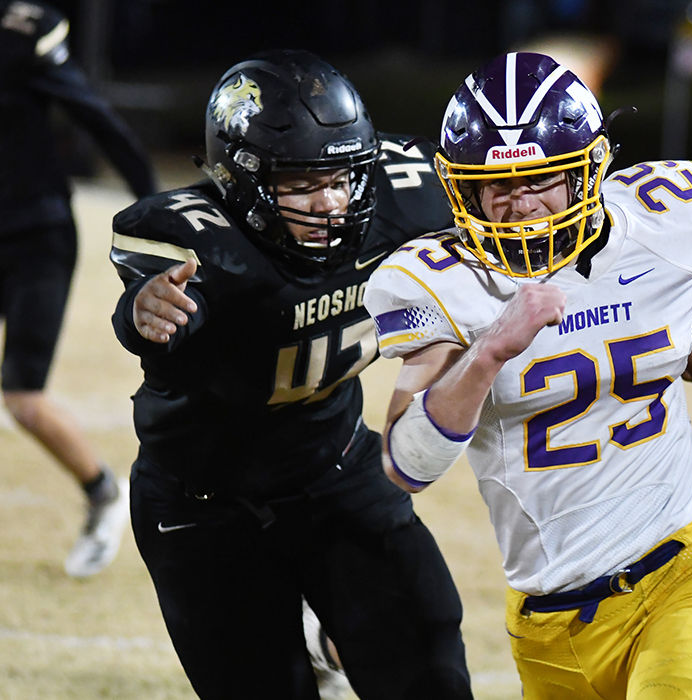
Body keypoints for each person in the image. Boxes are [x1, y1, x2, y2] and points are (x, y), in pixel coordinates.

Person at [364, 51, 692, 699]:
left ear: (588, 172)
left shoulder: (662, 222)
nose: (520, 206)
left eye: (541, 179)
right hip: (549, 622)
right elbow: (407, 466)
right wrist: (489, 353)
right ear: (461, 188)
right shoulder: (438, 281)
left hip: (684, 570)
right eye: (498, 187)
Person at [109, 50, 472, 700]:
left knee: (431, 662)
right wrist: (145, 312)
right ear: (239, 179)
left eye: (341, 178)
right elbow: (148, 310)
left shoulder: (409, 194)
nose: (331, 202)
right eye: (302, 184)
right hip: (204, 505)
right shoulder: (200, 238)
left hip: (334, 466)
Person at [0, 0, 156, 577]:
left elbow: (93, 115)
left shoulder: (20, 32)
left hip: (33, 236)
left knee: (24, 399)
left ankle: (102, 493)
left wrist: (152, 203)